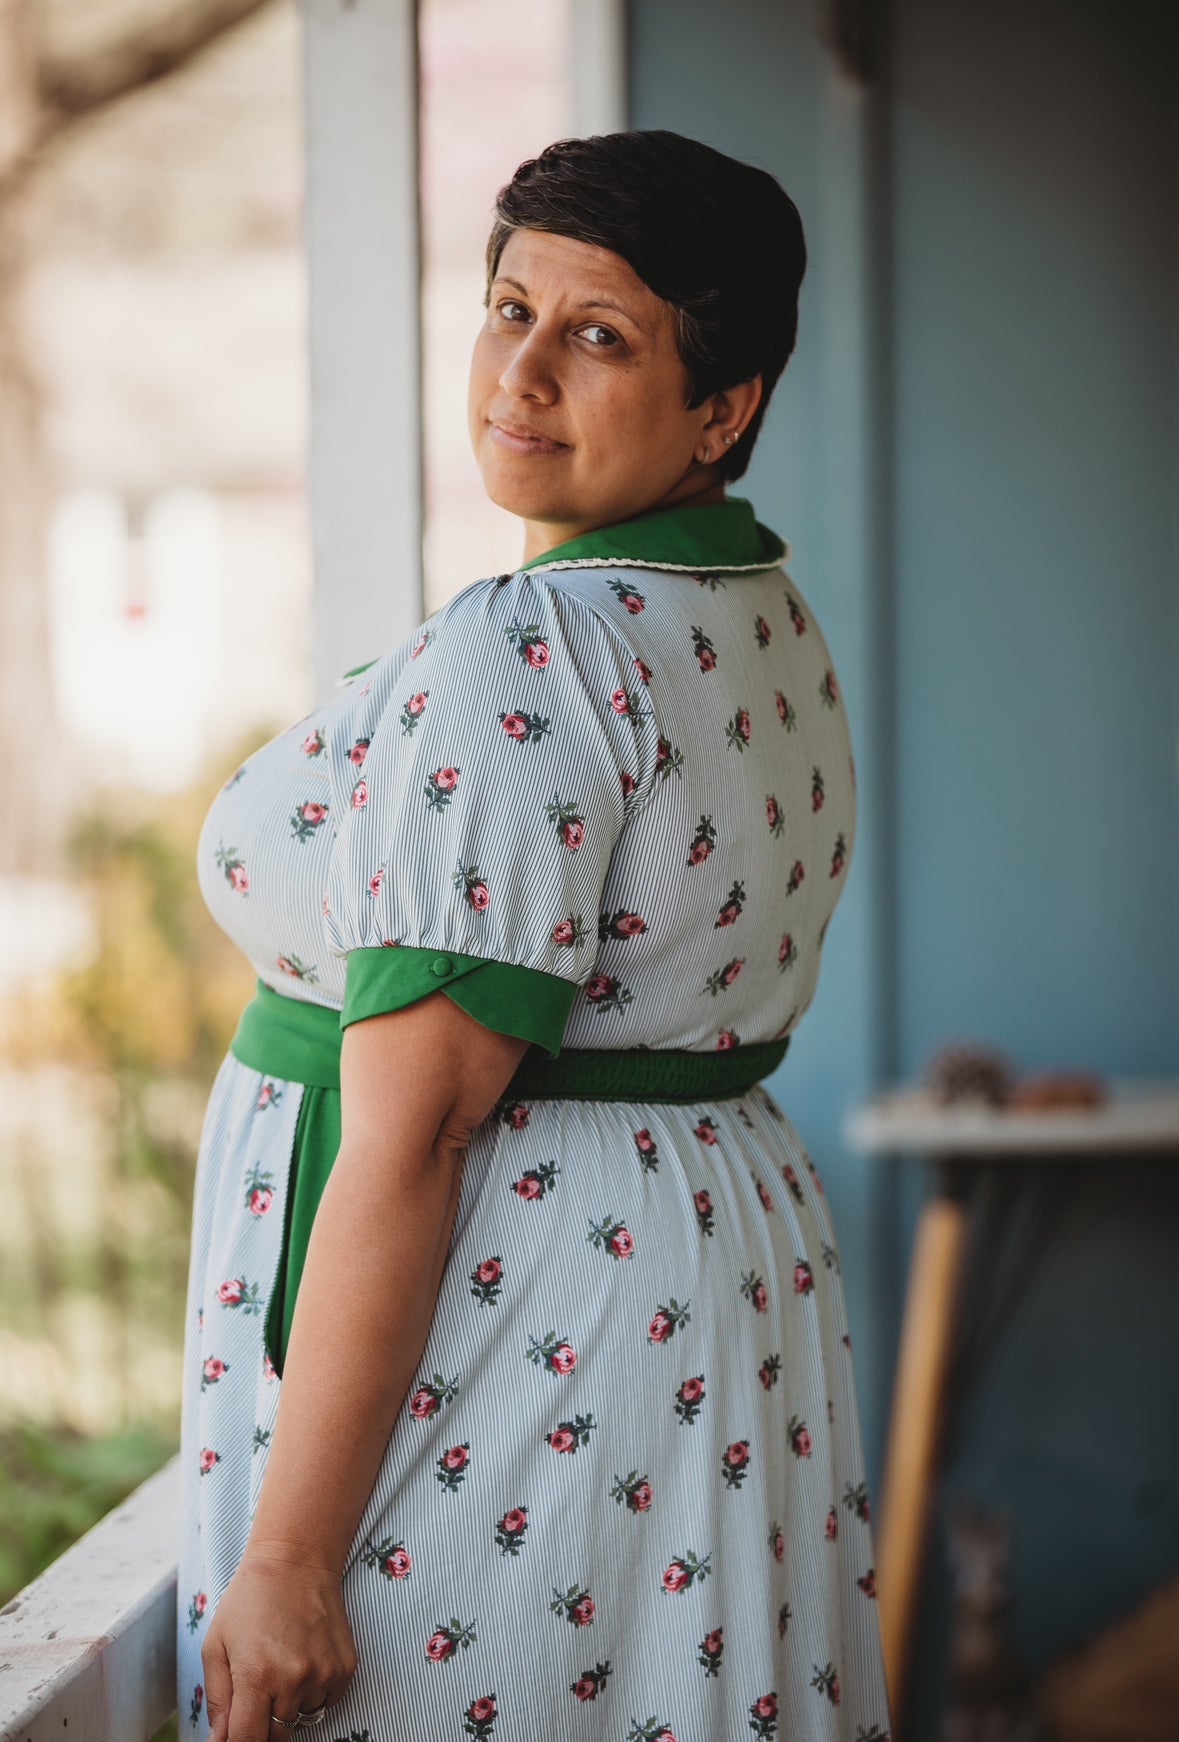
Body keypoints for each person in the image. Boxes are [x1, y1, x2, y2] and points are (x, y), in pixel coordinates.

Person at [177, 129, 892, 1742]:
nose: (522, 373)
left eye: (600, 335)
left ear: (728, 406)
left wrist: (291, 1556)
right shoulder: (755, 611)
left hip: (521, 1337)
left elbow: (418, 1124)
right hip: (695, 1290)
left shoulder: (539, 651)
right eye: (511, 308)